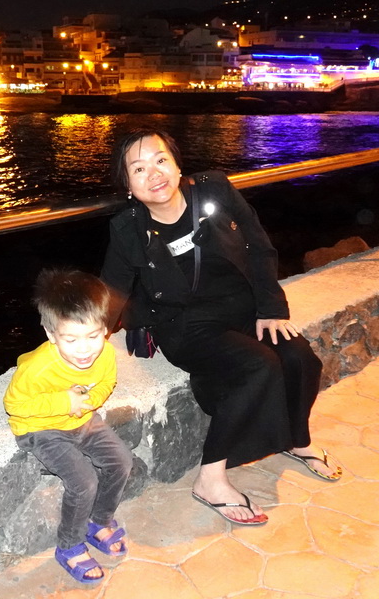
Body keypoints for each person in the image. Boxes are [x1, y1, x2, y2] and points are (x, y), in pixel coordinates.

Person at [101, 129, 342, 527]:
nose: (154, 174)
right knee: (259, 365)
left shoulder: (215, 191)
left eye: (161, 160)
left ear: (178, 165)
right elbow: (112, 289)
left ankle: (298, 440)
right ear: (128, 185)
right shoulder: (128, 228)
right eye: (138, 169)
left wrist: (271, 307)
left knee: (300, 357)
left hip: (243, 308)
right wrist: (83, 340)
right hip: (183, 325)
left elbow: (258, 247)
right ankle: (210, 479)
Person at [3, 269, 133, 583]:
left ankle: (98, 521)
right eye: (71, 339)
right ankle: (70, 545)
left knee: (121, 461)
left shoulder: (103, 355)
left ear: (105, 328)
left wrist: (89, 401)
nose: (85, 349)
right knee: (84, 481)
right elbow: (14, 406)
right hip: (42, 430)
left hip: (83, 420)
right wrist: (65, 403)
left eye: (93, 336)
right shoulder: (38, 368)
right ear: (51, 335)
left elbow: (106, 382)